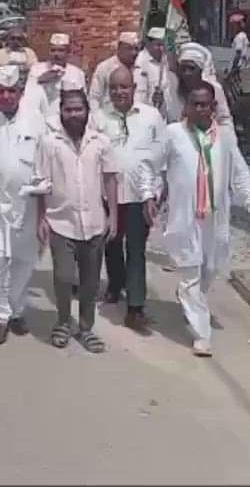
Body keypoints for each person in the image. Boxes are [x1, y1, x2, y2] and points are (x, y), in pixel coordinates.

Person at [159, 83, 250, 357]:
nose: (200, 109)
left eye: (206, 104)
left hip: (216, 218)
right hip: (185, 217)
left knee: (211, 268)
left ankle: (191, 299)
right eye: (195, 104)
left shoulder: (225, 137)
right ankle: (202, 333)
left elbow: (239, 171)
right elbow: (154, 165)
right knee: (191, 270)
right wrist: (149, 195)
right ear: (186, 107)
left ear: (213, 107)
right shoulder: (173, 134)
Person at [33, 78, 119, 353]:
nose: (73, 114)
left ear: (87, 112)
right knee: (63, 277)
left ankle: (86, 328)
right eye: (68, 110)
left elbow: (110, 181)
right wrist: (40, 217)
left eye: (78, 109)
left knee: (90, 281)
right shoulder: (49, 143)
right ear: (61, 113)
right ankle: (61, 321)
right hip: (61, 222)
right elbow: (41, 182)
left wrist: (113, 217)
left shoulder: (100, 142)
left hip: (94, 223)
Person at [0, 65, 50, 344]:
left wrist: (43, 212)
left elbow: (43, 166)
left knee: (23, 260)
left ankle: (16, 309)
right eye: (0, 91)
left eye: (12, 91)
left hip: (27, 202)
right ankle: (0, 314)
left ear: (20, 91)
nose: (6, 96)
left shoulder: (36, 120)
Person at [90, 65, 163, 333]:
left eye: (124, 87)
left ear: (134, 88)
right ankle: (115, 284)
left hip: (139, 196)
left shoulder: (151, 117)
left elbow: (160, 156)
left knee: (136, 249)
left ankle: (135, 307)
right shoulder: (98, 118)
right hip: (106, 195)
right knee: (111, 242)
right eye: (114, 88)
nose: (120, 92)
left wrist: (156, 193)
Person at [163, 42, 232, 126]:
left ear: (200, 71)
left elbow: (224, 121)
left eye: (191, 68)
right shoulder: (172, 88)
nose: (186, 73)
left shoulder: (214, 89)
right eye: (183, 68)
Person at [25, 33, 86, 120]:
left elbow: (82, 100)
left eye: (61, 50)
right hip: (41, 117)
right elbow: (28, 95)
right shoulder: (36, 69)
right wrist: (41, 80)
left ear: (68, 52)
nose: (56, 54)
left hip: (68, 118)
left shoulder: (77, 73)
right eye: (53, 50)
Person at [89, 31, 140, 112]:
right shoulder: (104, 68)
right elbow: (94, 97)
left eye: (136, 49)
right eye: (129, 49)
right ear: (119, 48)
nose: (134, 53)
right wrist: (96, 118)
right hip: (108, 117)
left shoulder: (140, 68)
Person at [134, 27, 169, 112]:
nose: (161, 49)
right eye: (158, 45)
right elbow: (139, 94)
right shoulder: (140, 61)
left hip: (165, 112)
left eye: (163, 45)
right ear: (148, 44)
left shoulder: (166, 60)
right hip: (147, 111)